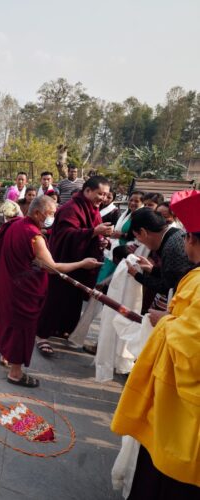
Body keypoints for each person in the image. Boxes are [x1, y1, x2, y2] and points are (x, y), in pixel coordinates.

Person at [111, 189, 200, 496]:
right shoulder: (182, 255)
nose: (184, 239)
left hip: (183, 403)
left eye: (189, 235)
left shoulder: (186, 266)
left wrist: (164, 321)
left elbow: (192, 340)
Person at [0, 196, 100, 387]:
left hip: (10, 284)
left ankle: (5, 355)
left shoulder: (15, 224)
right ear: (37, 213)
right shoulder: (34, 236)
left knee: (9, 322)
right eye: (50, 214)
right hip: (24, 290)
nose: (52, 217)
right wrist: (82, 263)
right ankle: (15, 373)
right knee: (22, 329)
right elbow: (52, 267)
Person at [35, 176, 113, 356]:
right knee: (55, 299)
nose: (102, 198)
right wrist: (93, 232)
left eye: (106, 195)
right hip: (65, 261)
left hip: (81, 264)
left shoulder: (93, 209)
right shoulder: (71, 208)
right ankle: (41, 335)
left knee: (72, 300)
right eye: (99, 193)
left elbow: (90, 232)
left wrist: (100, 239)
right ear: (87, 191)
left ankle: (62, 330)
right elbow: (65, 235)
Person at [125, 208, 194, 310]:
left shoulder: (171, 247)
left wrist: (137, 275)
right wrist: (151, 269)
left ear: (143, 232)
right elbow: (171, 275)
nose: (138, 241)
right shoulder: (175, 234)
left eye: (137, 237)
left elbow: (167, 287)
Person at [96, 191, 144, 283]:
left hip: (126, 251)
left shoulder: (141, 216)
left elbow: (139, 236)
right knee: (103, 275)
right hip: (115, 248)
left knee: (107, 279)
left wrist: (121, 235)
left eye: (136, 201)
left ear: (142, 203)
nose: (133, 203)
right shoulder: (128, 213)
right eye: (131, 200)